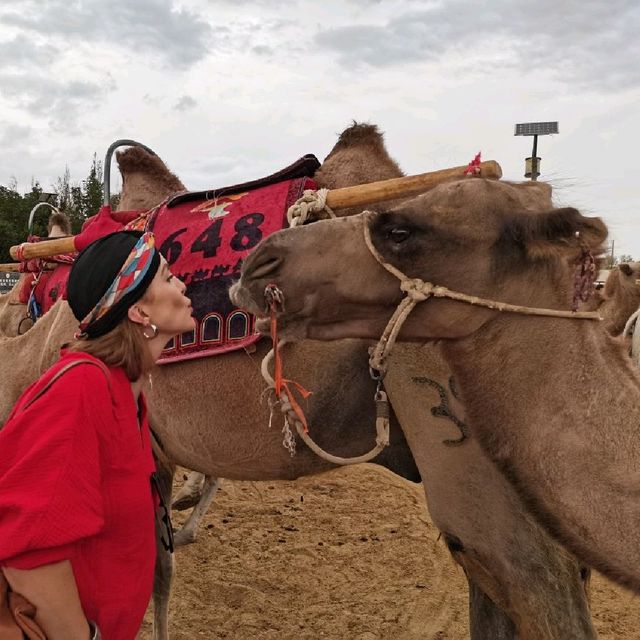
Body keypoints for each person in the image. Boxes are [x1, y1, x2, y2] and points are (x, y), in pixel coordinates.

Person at [0, 230, 194, 640]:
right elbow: (23, 547)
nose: (182, 284)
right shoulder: (83, 389)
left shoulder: (128, 390)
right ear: (139, 311)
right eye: (167, 276)